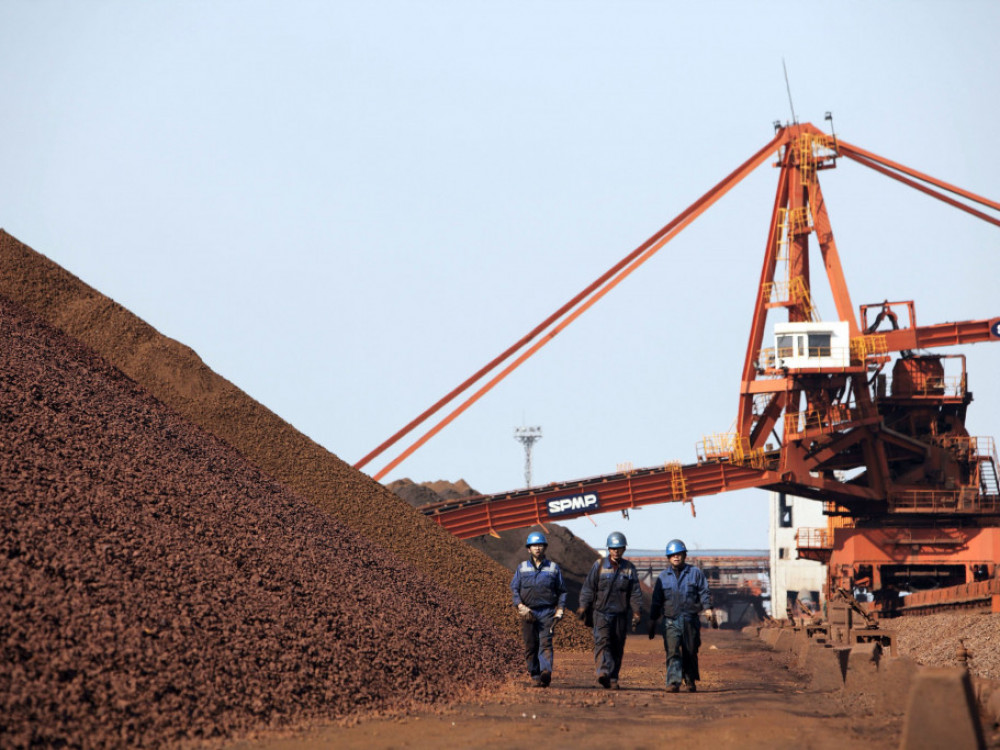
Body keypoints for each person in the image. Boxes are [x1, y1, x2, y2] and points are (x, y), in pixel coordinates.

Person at [576, 531, 641, 690]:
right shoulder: (599, 566)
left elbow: (635, 592)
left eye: (619, 548)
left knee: (617, 646)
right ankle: (602, 673)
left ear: (624, 549)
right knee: (602, 642)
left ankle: (613, 678)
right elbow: (589, 588)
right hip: (601, 613)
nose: (616, 551)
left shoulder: (629, 568)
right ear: (609, 549)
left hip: (620, 614)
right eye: (613, 548)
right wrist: (583, 605)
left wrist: (637, 611)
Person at [648, 538, 711, 693]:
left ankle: (690, 680)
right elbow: (657, 600)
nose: (676, 557)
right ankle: (673, 681)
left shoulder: (695, 573)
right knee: (673, 651)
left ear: (684, 555)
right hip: (671, 620)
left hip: (690, 620)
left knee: (690, 651)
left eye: (679, 554)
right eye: (673, 554)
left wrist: (708, 608)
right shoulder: (663, 577)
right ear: (669, 558)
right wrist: (652, 619)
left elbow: (704, 592)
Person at [510, 531, 567, 688]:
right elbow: (514, 589)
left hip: (547, 612)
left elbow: (562, 591)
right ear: (529, 549)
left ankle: (545, 672)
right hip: (528, 612)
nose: (537, 548)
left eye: (540, 545)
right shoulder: (521, 568)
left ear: (545, 548)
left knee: (545, 643)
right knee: (530, 645)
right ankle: (535, 674)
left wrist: (560, 609)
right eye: (534, 545)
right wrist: (519, 605)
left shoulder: (553, 568)